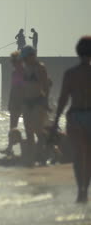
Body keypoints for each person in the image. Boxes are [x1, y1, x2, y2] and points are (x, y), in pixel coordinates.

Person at [52, 36, 91, 203]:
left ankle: (80, 191)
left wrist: (55, 121)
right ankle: (85, 190)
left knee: (78, 155)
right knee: (88, 156)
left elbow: (63, 99)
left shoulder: (70, 74)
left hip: (75, 116)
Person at [20, 45, 50, 166]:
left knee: (38, 130)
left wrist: (45, 102)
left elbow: (46, 87)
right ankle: (31, 159)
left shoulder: (40, 68)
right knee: (28, 131)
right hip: (27, 103)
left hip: (38, 101)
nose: (24, 60)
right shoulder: (24, 68)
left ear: (32, 56)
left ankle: (43, 155)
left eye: (26, 58)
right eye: (24, 58)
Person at [0, 51, 24, 155]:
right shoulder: (14, 73)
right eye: (13, 62)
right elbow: (13, 89)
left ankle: (26, 148)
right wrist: (10, 102)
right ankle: (10, 148)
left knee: (29, 127)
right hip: (15, 102)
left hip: (24, 102)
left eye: (16, 62)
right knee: (12, 127)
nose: (14, 64)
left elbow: (23, 88)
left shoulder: (25, 72)